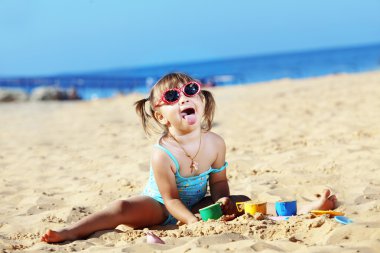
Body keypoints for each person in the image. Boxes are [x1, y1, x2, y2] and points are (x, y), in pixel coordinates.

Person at [41, 73, 337, 243]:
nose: (183, 97)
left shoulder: (215, 143)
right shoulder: (162, 153)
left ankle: (310, 207)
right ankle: (71, 230)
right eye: (172, 97)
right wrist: (192, 222)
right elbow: (170, 200)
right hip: (158, 206)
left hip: (198, 203)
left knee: (245, 201)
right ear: (161, 115)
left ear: (200, 99)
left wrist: (222, 201)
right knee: (120, 208)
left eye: (190, 90)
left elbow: (219, 184)